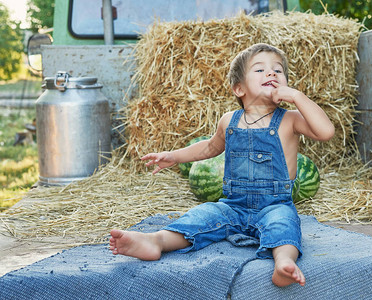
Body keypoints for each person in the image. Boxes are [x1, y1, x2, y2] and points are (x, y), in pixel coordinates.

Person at [109, 43, 335, 287]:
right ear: (239, 88)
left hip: (275, 205)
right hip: (233, 205)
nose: (271, 73)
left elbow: (326, 132)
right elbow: (209, 148)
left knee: (284, 226)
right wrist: (174, 156)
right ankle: (157, 241)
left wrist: (297, 97)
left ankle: (283, 263)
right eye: (259, 70)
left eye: (278, 70)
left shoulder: (289, 120)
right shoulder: (229, 121)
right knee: (201, 216)